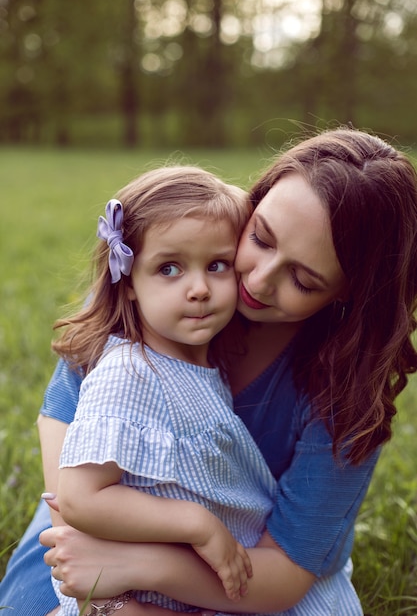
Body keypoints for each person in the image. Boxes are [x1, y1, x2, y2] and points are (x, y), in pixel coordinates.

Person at [1, 127, 417, 616]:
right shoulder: (163, 277)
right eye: (260, 238)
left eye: (303, 280)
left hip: (244, 575)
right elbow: (70, 478)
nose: (257, 281)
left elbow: (283, 572)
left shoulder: (345, 387)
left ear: (348, 293)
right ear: (253, 203)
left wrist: (144, 570)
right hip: (86, 543)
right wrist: (110, 600)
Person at [44, 164, 279, 616]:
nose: (198, 289)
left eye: (217, 265)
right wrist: (197, 524)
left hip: (189, 589)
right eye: (169, 268)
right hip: (131, 596)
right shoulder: (129, 373)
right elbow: (78, 496)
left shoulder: (198, 367)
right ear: (128, 282)